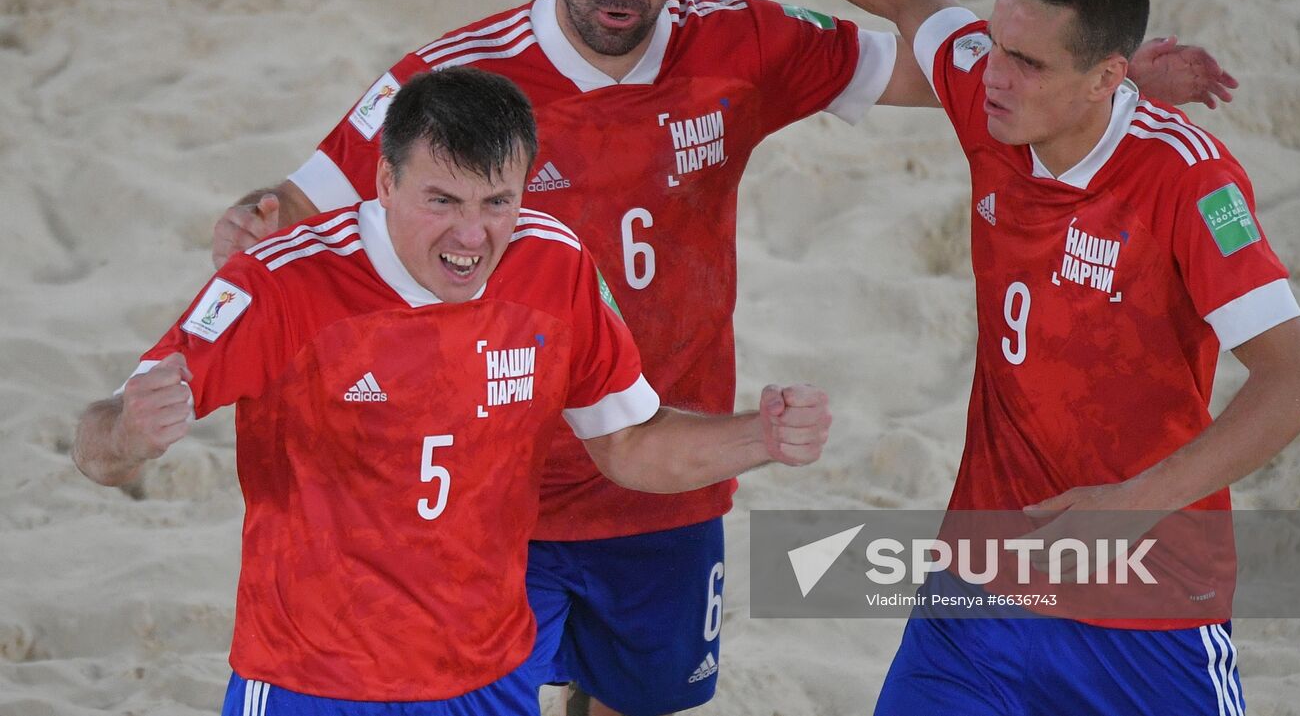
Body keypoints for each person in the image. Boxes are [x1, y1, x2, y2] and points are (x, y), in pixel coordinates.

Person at [208, 0, 1237, 716]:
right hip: (493, 492)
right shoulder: (459, 82)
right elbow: (289, 219)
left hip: (666, 474)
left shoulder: (739, 45)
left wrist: (1099, 92)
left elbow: (939, 69)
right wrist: (250, 220)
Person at [687, 0, 1300, 714]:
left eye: (1028, 64)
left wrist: (1129, 506)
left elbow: (1295, 386)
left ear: (1106, 78)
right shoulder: (991, 105)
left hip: (1146, 604)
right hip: (978, 591)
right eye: (996, 45)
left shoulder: (1188, 179)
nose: (994, 76)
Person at [71, 67, 832, 716]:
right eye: (442, 201)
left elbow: (629, 443)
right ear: (383, 181)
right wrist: (134, 431)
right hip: (312, 679)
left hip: (486, 677)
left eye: (496, 202)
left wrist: (758, 437)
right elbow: (96, 444)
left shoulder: (553, 267)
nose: (472, 237)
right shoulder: (279, 284)